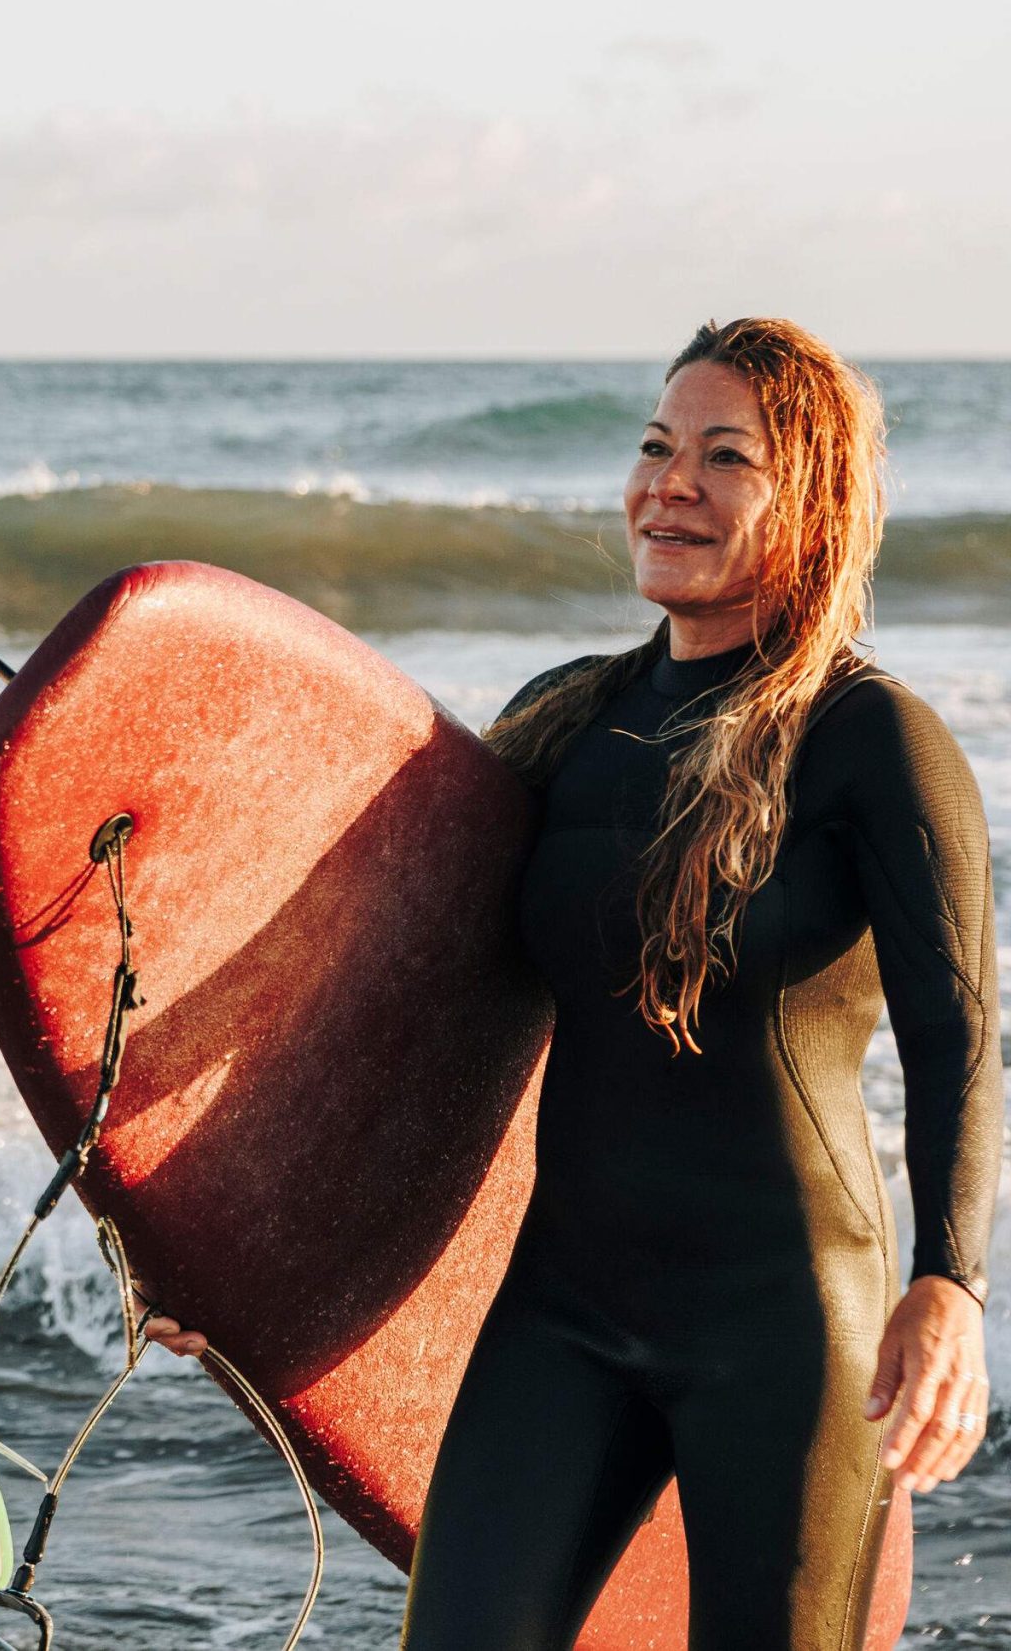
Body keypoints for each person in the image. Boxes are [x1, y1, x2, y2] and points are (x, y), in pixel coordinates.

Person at [394, 318, 1000, 1649]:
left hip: (784, 1328)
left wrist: (952, 1286)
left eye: (725, 457)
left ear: (814, 502)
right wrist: (237, 1234)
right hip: (565, 1313)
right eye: (657, 446)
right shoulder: (563, 721)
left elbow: (959, 1037)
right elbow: (425, 1008)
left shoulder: (869, 742)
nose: (669, 484)